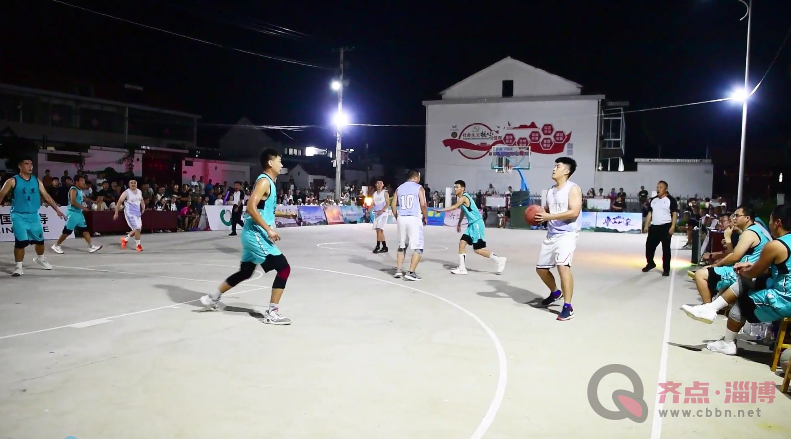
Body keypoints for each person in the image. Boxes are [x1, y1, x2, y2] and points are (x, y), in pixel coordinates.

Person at [200, 148, 296, 325]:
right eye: (279, 161)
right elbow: (251, 208)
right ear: (270, 163)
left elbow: (265, 210)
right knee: (284, 268)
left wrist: (286, 214)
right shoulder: (264, 182)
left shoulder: (269, 183)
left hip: (253, 233)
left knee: (245, 272)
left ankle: (212, 297)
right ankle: (272, 313)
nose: (282, 164)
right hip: (255, 234)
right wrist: (269, 230)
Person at [684, 204, 791, 355]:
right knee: (746, 283)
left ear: (778, 222)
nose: (769, 223)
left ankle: (726, 340)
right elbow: (778, 268)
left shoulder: (775, 245)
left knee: (741, 301)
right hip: (785, 292)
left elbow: (753, 271)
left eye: (771, 220)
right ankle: (711, 309)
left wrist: (744, 270)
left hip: (784, 300)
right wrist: (750, 266)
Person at [683, 205, 769, 312]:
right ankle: (712, 305)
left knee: (700, 274)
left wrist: (717, 264)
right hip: (747, 270)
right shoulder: (754, 230)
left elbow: (735, 256)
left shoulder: (749, 233)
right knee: (711, 269)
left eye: (737, 216)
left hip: (746, 272)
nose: (734, 218)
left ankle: (708, 309)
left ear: (747, 218)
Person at [534, 157, 582, 321]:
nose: (554, 168)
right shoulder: (551, 191)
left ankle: (568, 307)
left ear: (566, 171)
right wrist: (539, 214)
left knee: (563, 267)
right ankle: (556, 292)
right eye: (554, 166)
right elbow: (549, 210)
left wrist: (550, 216)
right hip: (551, 234)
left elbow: (574, 212)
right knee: (541, 269)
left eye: (558, 166)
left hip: (567, 234)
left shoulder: (573, 189)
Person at [0, 157, 65, 276]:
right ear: (20, 166)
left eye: (31, 164)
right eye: (26, 164)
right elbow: (1, 195)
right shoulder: (12, 181)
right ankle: (18, 267)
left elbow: (46, 195)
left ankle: (41, 259)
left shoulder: (36, 181)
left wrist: (57, 209)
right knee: (20, 242)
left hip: (34, 216)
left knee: (39, 241)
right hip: (18, 216)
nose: (30, 166)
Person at [436, 179, 506, 275]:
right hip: (471, 225)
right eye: (454, 187)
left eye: (457, 187)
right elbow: (462, 211)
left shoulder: (464, 197)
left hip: (477, 224)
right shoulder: (461, 199)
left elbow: (455, 207)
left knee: (478, 249)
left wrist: (441, 210)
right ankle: (462, 268)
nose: (455, 189)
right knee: (462, 243)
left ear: (463, 188)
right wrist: (459, 223)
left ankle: (499, 259)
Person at [390, 169, 428, 281]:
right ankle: (411, 272)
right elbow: (423, 204)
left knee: (402, 245)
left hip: (402, 218)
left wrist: (397, 217)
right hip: (413, 218)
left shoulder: (399, 188)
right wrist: (425, 217)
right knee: (418, 247)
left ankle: (398, 270)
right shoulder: (419, 187)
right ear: (416, 177)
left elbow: (393, 205)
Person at [51, 175, 103, 254]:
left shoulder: (79, 190)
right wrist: (83, 208)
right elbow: (73, 202)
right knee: (67, 232)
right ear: (77, 182)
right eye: (82, 180)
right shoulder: (73, 189)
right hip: (72, 213)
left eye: (84, 181)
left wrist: (93, 201)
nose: (83, 182)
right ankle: (56, 245)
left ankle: (91, 247)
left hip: (79, 214)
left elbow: (82, 198)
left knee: (85, 230)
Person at [643, 181, 678, 276]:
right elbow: (650, 213)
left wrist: (673, 226)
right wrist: (646, 225)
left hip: (665, 226)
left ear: (666, 189)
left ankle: (666, 269)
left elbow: (674, 214)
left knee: (666, 248)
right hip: (654, 226)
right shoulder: (653, 200)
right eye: (657, 187)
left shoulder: (671, 200)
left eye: (660, 187)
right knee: (649, 246)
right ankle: (650, 263)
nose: (658, 189)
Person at [114, 179, 145, 251]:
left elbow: (141, 200)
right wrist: (116, 213)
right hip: (130, 213)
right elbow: (119, 202)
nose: (133, 184)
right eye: (131, 183)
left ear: (136, 184)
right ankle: (138, 245)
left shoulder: (139, 191)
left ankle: (125, 239)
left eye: (134, 183)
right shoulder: (126, 193)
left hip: (137, 213)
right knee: (137, 228)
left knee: (137, 230)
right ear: (129, 184)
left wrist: (143, 208)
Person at [371, 180, 390, 253]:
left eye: (380, 183)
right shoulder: (374, 194)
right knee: (379, 231)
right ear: (376, 184)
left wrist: (382, 210)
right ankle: (385, 247)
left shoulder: (385, 193)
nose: (379, 185)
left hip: (383, 214)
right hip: (377, 214)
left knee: (379, 230)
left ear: (383, 185)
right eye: (378, 183)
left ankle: (378, 246)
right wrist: (368, 211)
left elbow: (388, 203)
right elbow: (372, 204)